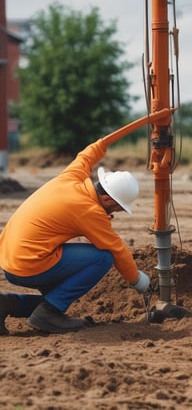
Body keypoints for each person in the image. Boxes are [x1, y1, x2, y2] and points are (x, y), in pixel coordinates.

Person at [0, 137, 150, 335]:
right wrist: (138, 281)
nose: (116, 213)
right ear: (106, 198)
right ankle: (48, 314)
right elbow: (117, 249)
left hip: (8, 259)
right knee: (102, 258)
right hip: (27, 264)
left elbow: (86, 156)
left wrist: (105, 142)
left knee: (59, 294)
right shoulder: (90, 211)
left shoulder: (71, 177)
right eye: (117, 207)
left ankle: (8, 304)